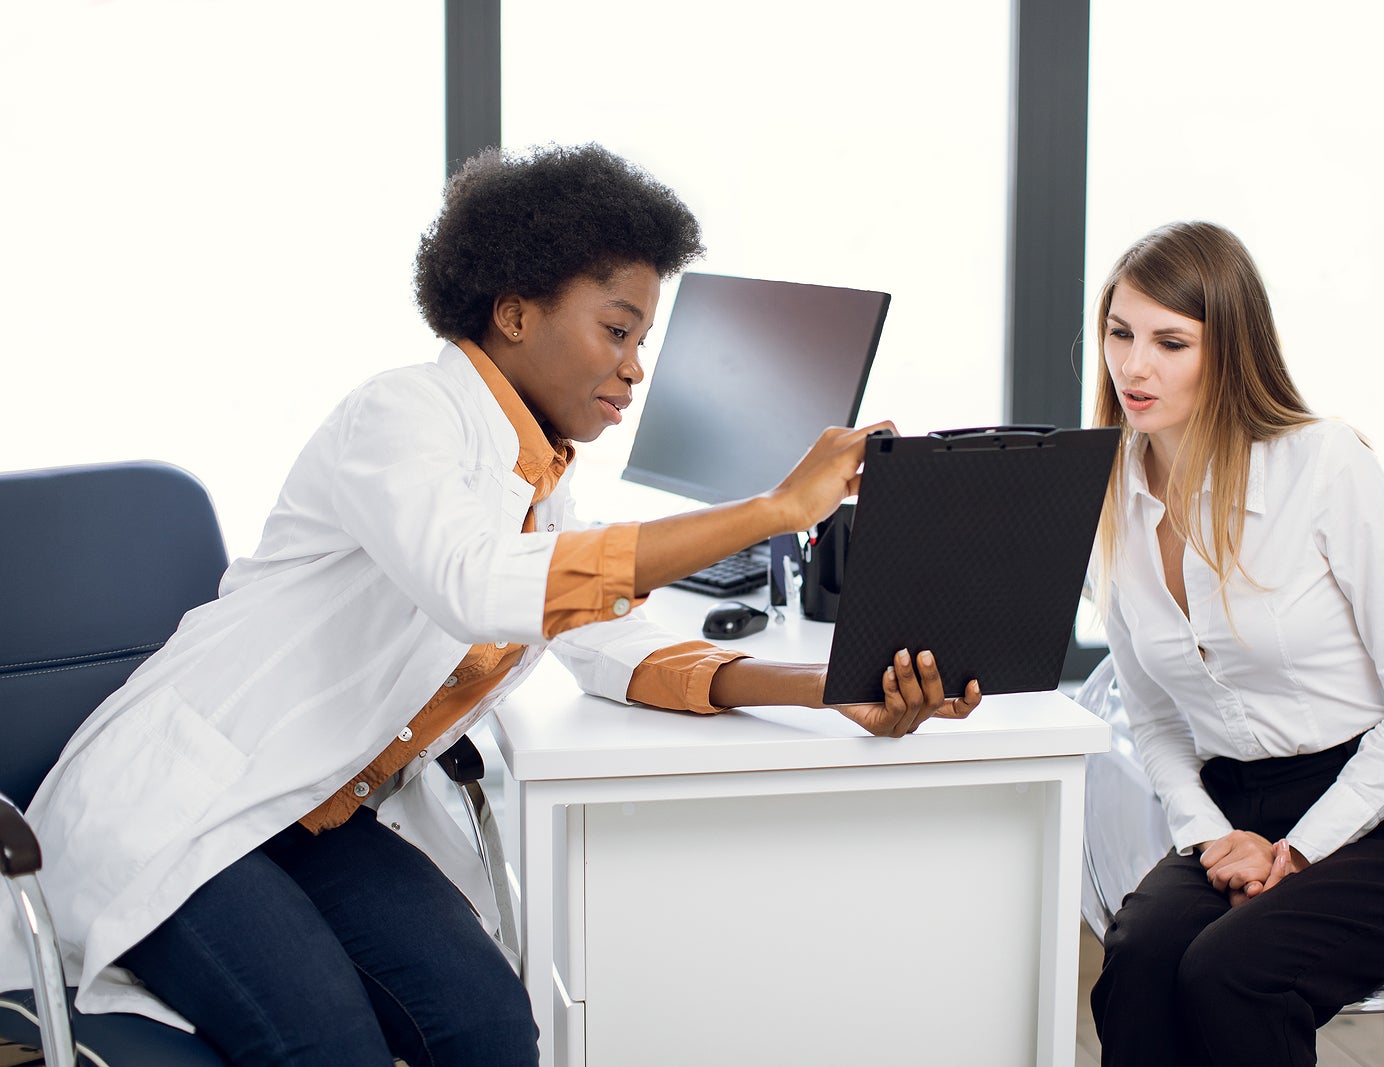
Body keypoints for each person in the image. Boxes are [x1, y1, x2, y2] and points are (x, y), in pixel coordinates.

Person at [0, 144, 980, 1067]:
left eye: (643, 337)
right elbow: (476, 583)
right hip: (186, 815)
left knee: (486, 1024)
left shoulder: (540, 484)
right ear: (514, 310)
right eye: (616, 328)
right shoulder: (397, 421)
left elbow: (613, 642)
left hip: (313, 813)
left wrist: (834, 688)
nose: (636, 366)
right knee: (325, 1043)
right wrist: (770, 510)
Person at [1085, 221, 1384, 1066]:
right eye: (1120, 333)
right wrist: (1208, 835)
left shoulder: (1324, 465)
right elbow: (1152, 717)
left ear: (1229, 349)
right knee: (1139, 963)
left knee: (1233, 972)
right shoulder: (1104, 497)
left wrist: (1304, 846)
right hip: (1233, 814)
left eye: (1171, 341)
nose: (1135, 366)